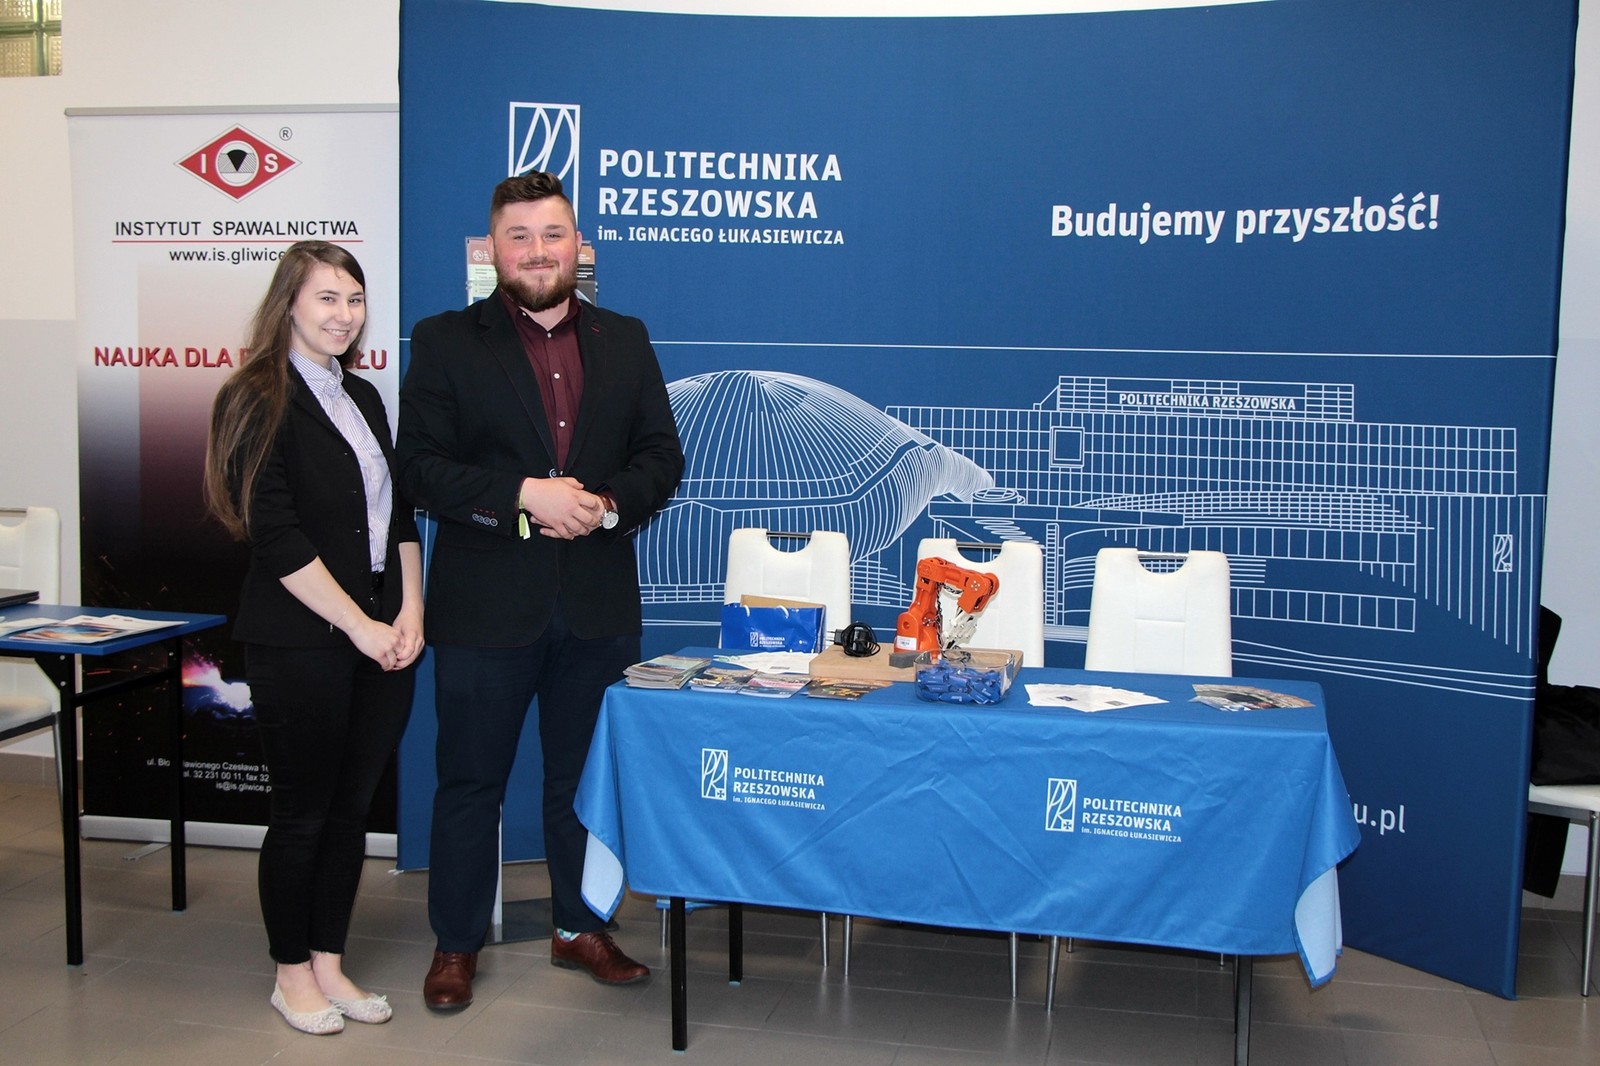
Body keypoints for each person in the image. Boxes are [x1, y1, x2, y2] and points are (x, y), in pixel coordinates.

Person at [396, 171, 684, 1009]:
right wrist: (525, 496)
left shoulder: (626, 338)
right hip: (485, 605)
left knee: (582, 783)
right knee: (470, 783)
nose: (536, 251)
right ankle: (456, 943)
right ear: (492, 249)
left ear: (578, 245)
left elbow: (661, 455)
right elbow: (420, 467)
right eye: (518, 236)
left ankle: (579, 926)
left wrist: (606, 505)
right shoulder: (445, 339)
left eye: (552, 234)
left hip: (596, 606)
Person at [204, 241, 425, 1036]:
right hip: (301, 639)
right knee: (303, 813)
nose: (344, 314)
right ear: (289, 304)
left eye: (354, 299)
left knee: (350, 811)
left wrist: (410, 613)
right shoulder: (254, 395)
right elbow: (275, 534)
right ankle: (290, 973)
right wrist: (361, 626)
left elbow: (399, 518)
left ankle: (329, 961)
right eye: (327, 298)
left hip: (381, 635)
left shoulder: (361, 395)